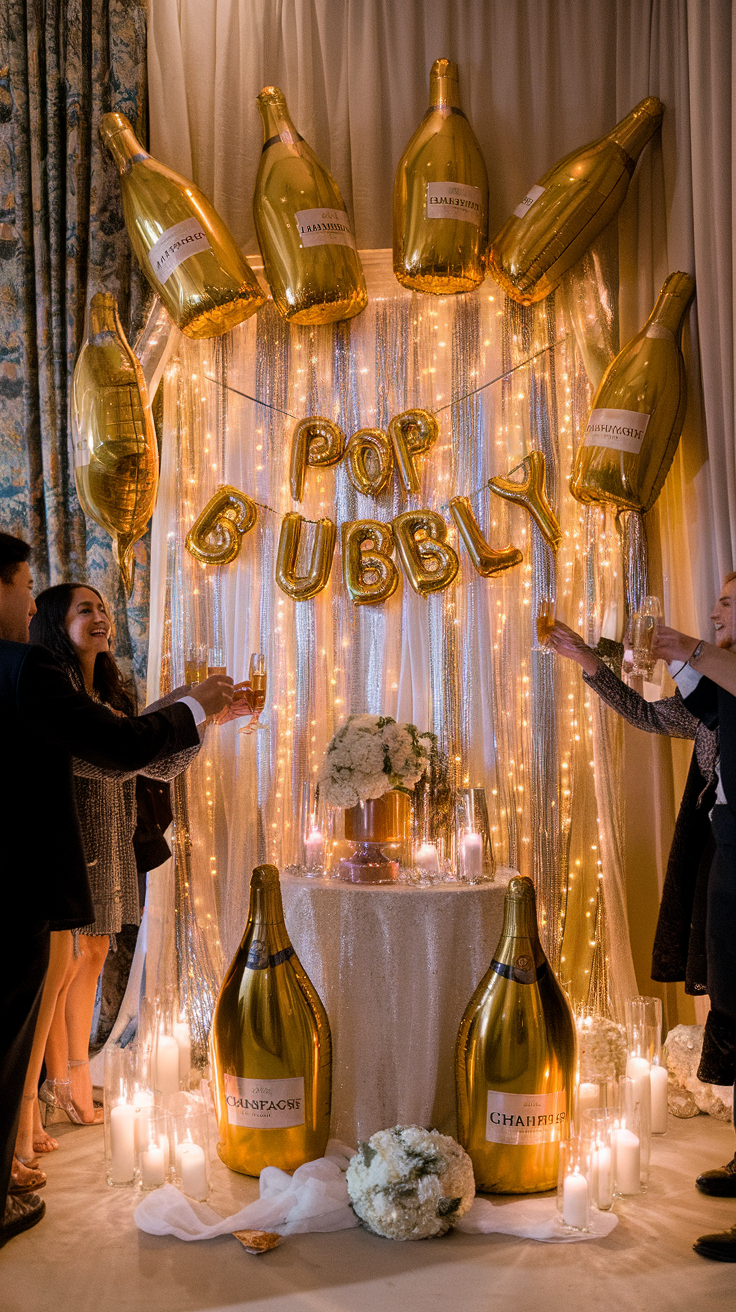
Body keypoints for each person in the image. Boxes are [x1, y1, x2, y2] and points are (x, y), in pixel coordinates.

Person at [0, 531, 233, 1247]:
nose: (25, 600)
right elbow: (122, 749)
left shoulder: (93, 681)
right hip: (25, 875)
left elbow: (139, 750)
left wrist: (196, 716)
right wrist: (194, 705)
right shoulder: (30, 669)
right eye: (24, 584)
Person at [547, 573, 736, 1262]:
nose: (714, 608)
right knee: (732, 1000)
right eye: (714, 599)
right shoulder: (714, 689)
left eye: (727, 601)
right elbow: (657, 717)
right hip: (723, 852)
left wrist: (688, 648)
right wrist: (591, 665)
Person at [13, 582, 204, 1159]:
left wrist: (202, 719)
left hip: (114, 834)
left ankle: (72, 1081)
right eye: (85, 610)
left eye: (103, 609)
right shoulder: (54, 685)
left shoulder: (112, 688)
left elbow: (154, 765)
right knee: (60, 966)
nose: (101, 617)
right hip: (73, 834)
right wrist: (180, 712)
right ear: (53, 621)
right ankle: (49, 1090)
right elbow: (105, 763)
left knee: (92, 956)